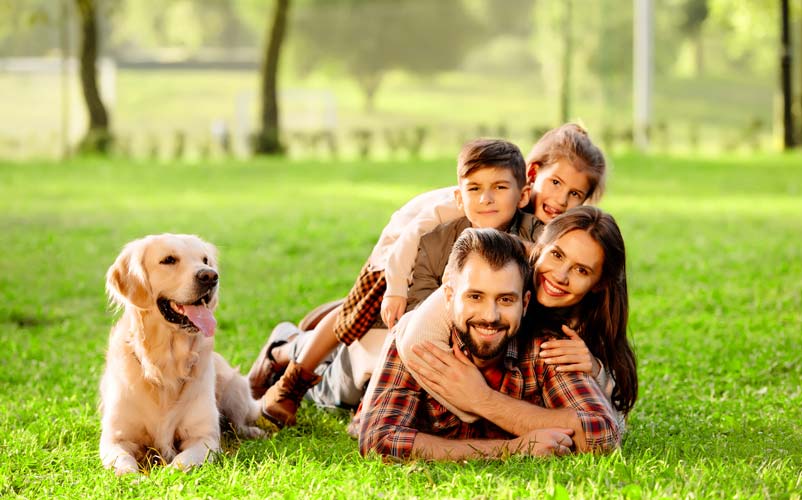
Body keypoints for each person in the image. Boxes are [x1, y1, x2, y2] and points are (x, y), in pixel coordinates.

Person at [249, 125, 607, 427]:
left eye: (575, 193)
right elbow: (412, 240)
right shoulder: (460, 207)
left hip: (451, 305)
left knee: (364, 337)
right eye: (555, 183)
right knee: (354, 321)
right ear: (532, 176)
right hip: (397, 259)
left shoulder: (552, 235)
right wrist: (395, 289)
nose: (560, 199)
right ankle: (289, 360)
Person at [358, 227, 621, 460]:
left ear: (525, 302)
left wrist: (482, 400)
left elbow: (602, 434)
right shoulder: (417, 339)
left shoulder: (549, 347)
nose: (490, 316)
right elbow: (378, 440)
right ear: (449, 297)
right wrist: (512, 449)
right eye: (475, 296)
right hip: (362, 353)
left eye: (506, 300)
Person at [394, 206, 637, 425]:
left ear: (599, 283)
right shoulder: (498, 271)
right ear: (539, 247)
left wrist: (597, 371)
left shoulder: (588, 323)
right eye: (557, 255)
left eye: (581, 270)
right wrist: (476, 404)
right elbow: (416, 340)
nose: (560, 276)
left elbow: (611, 426)